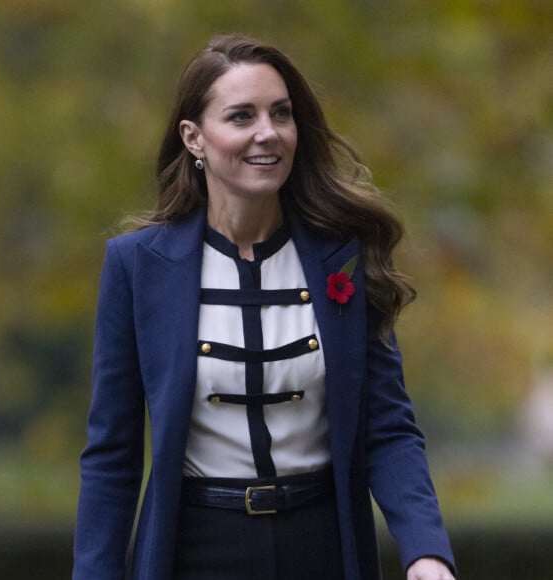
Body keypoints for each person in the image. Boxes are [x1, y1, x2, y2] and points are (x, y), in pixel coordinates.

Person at [72, 34, 456, 580]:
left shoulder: (342, 257)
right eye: (241, 116)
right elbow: (112, 456)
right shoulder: (137, 267)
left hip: (323, 546)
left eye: (281, 113)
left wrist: (426, 551)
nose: (268, 133)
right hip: (194, 550)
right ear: (194, 137)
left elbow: (388, 428)